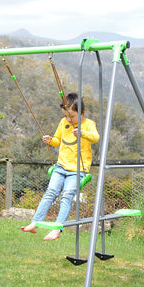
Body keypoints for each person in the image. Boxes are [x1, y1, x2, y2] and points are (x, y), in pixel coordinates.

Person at [21, 92, 99, 240]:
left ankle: (57, 229)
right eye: (66, 116)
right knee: (50, 192)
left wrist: (82, 133)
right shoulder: (64, 122)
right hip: (61, 166)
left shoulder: (89, 124)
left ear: (82, 113)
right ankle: (35, 223)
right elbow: (58, 140)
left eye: (72, 116)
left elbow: (95, 138)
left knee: (67, 196)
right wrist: (50, 140)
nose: (68, 119)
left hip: (77, 170)